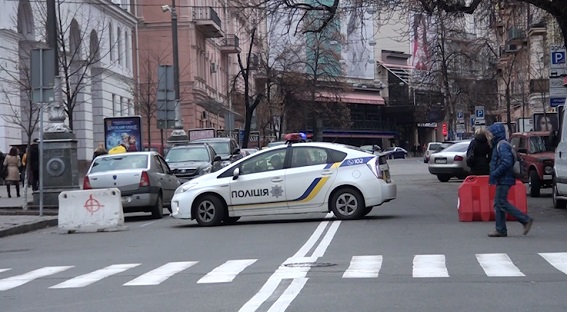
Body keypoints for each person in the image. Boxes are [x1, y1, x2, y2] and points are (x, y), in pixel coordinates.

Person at [487, 123, 534, 237]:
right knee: (499, 204)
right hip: (503, 178)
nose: (489, 137)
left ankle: (525, 220)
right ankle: (500, 229)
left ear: (496, 134)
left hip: (504, 178)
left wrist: (495, 173)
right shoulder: (500, 144)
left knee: (501, 202)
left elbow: (507, 162)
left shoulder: (501, 145)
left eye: (490, 134)